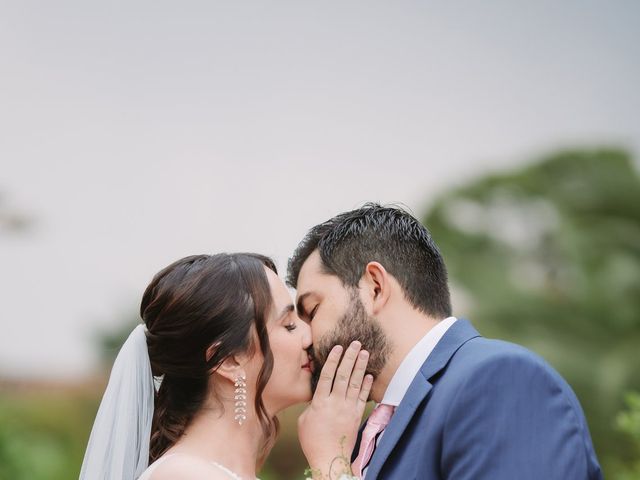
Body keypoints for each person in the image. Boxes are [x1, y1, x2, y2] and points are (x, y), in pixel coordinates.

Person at [288, 203, 604, 479]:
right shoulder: (358, 438)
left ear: (374, 287)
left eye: (312, 310)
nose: (305, 337)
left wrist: (331, 466)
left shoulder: (499, 381)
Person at [80, 253, 370, 480]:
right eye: (289, 325)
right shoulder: (182, 476)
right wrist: (330, 458)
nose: (310, 336)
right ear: (229, 360)